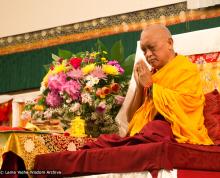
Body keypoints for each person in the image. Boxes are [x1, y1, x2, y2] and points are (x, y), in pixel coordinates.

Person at [127, 24, 213, 145]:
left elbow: (185, 108)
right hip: (147, 134)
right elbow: (131, 120)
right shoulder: (151, 75)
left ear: (170, 43)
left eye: (152, 47)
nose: (148, 54)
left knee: (156, 128)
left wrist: (151, 87)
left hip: (173, 132)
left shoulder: (185, 69)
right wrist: (140, 86)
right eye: (144, 50)